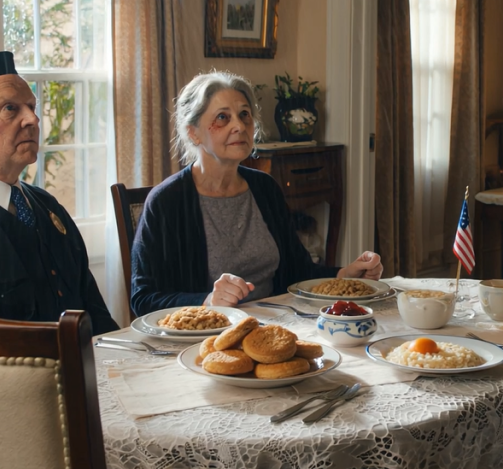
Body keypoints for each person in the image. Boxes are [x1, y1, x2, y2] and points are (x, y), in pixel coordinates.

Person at [131, 71, 382, 314]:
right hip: (208, 340)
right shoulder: (167, 202)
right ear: (193, 132)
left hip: (278, 326)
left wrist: (343, 275)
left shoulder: (265, 189)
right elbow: (143, 297)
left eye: (244, 115)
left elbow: (298, 271)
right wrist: (206, 301)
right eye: (222, 117)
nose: (239, 125)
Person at [0, 52, 118, 336]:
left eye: (31, 106)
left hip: (90, 375)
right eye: (10, 108)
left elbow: (98, 322)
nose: (32, 119)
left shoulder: (47, 207)